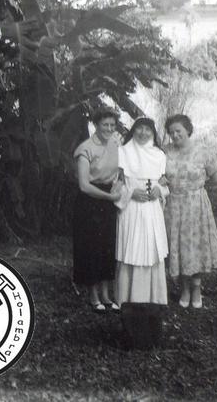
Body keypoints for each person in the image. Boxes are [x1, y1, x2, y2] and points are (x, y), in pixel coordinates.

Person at [163, 114, 217, 309]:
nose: (175, 135)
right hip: (173, 205)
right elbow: (157, 176)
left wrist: (199, 189)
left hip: (196, 206)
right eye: (171, 132)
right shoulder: (165, 151)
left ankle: (196, 288)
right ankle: (184, 289)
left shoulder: (203, 151)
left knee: (196, 247)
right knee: (179, 246)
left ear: (188, 130)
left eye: (178, 130)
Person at [72, 107, 122, 313]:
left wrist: (117, 188)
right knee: (91, 248)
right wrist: (109, 197)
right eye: (105, 125)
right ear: (96, 125)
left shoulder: (116, 144)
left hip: (109, 201)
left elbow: (121, 172)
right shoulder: (85, 149)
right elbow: (84, 185)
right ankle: (93, 296)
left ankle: (106, 294)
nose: (109, 128)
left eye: (112, 125)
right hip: (89, 203)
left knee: (108, 246)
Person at [114, 118, 169, 306]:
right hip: (131, 209)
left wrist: (159, 191)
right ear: (133, 130)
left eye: (147, 130)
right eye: (139, 128)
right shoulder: (122, 152)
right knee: (131, 248)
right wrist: (130, 193)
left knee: (152, 249)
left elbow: (164, 184)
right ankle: (126, 299)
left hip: (152, 209)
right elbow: (115, 184)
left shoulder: (159, 155)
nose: (143, 133)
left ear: (153, 133)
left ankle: (153, 298)